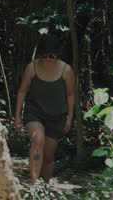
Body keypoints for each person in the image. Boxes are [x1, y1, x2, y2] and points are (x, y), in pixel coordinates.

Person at [14, 33, 75, 184]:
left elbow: (70, 95)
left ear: (57, 54)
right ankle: (34, 183)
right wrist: (17, 116)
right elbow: (22, 91)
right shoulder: (32, 68)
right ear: (40, 53)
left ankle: (45, 185)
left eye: (52, 55)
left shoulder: (66, 70)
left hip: (57, 117)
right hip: (34, 113)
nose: (48, 58)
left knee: (48, 157)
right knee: (37, 140)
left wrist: (70, 117)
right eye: (45, 54)